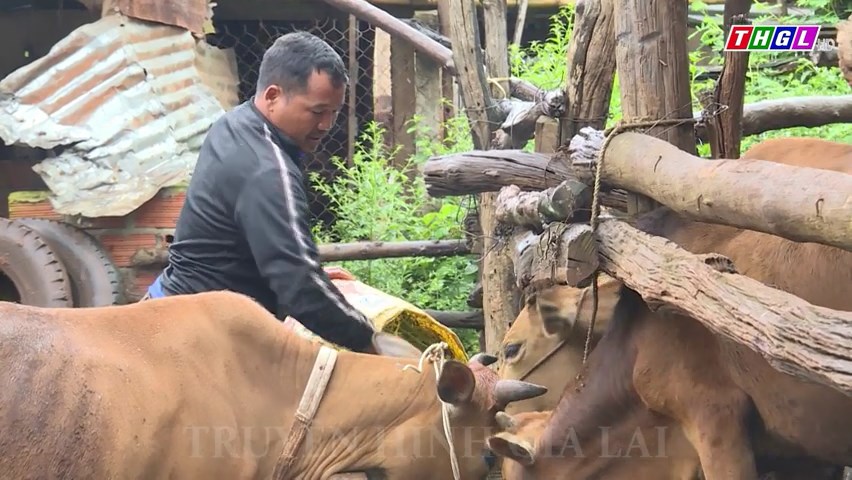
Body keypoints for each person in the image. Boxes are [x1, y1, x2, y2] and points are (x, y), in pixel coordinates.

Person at [143, 31, 378, 354]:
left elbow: (251, 250)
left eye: (334, 113)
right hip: (197, 340)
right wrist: (371, 339)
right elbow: (299, 288)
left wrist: (314, 276)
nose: (326, 125)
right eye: (317, 111)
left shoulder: (234, 124)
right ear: (272, 96)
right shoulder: (267, 168)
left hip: (167, 306)